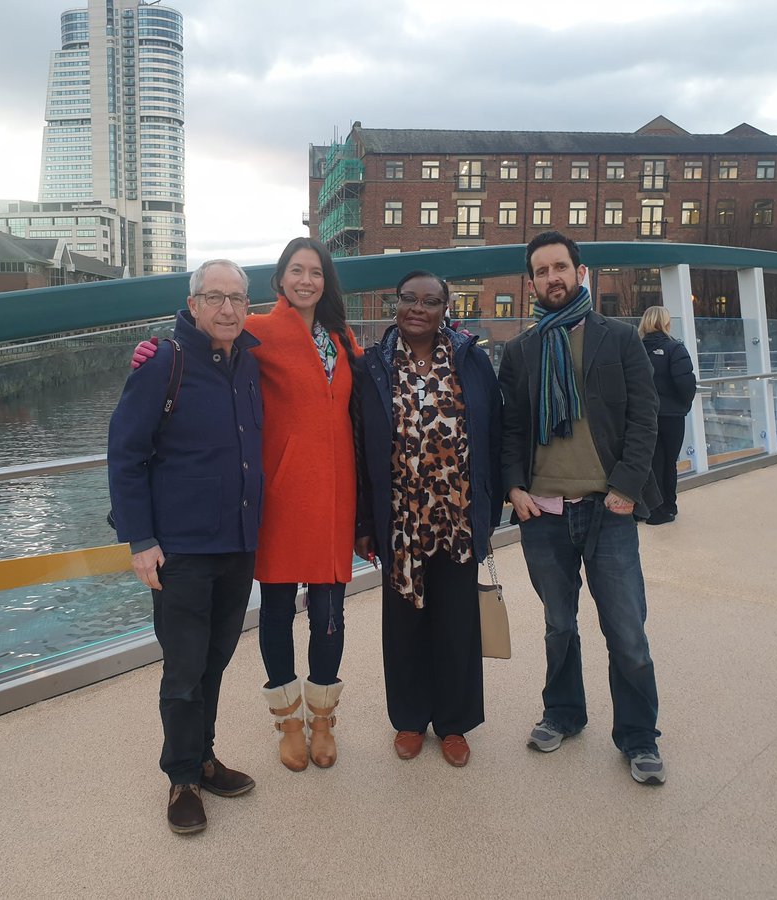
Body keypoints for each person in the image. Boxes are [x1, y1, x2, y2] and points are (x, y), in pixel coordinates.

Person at [132, 237, 361, 772]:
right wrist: (152, 351)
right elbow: (206, 333)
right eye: (296, 271)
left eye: (317, 272)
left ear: (327, 281)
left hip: (334, 498)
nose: (307, 280)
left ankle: (323, 717)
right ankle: (287, 721)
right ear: (279, 280)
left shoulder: (343, 337)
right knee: (278, 614)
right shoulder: (257, 328)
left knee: (330, 615)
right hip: (279, 499)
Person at [498, 231, 667, 786]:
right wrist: (514, 488)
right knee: (557, 624)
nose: (552, 278)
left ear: (580, 272)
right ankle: (564, 713)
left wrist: (625, 486)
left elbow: (646, 419)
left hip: (607, 509)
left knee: (627, 630)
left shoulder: (618, 338)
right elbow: (513, 428)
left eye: (560, 267)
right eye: (542, 271)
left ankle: (639, 737)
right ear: (531, 283)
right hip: (543, 513)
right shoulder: (521, 350)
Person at [108, 259, 262, 834]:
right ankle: (180, 778)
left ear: (249, 306)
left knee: (216, 659)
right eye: (215, 297)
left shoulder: (248, 360)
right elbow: (125, 455)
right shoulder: (164, 364)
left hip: (237, 542)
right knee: (183, 669)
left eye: (238, 299)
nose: (227, 309)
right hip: (181, 550)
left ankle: (203, 756)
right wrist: (140, 540)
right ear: (193, 304)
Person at [354, 270, 502, 768]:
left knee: (457, 621)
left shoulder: (471, 360)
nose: (418, 308)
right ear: (395, 304)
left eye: (430, 300)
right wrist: (363, 522)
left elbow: (494, 432)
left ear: (446, 308)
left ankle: (454, 723)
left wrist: (493, 504)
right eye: (408, 299)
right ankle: (411, 719)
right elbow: (358, 448)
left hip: (456, 515)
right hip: (399, 519)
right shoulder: (372, 366)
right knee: (404, 623)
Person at [638, 306, 697, 525]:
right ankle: (668, 507)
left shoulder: (636, 349)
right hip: (671, 416)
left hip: (644, 416)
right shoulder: (675, 348)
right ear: (666, 322)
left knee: (651, 462)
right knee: (669, 462)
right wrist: (683, 403)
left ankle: (651, 507)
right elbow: (686, 383)